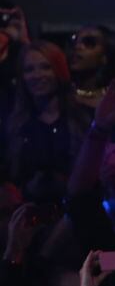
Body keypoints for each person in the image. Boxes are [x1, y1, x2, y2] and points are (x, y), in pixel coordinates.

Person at [6, 41, 90, 188]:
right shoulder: (14, 124)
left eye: (46, 67)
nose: (37, 75)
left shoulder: (83, 118)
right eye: (29, 69)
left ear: (59, 70)